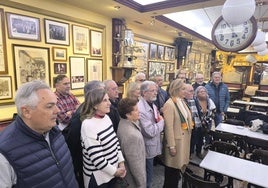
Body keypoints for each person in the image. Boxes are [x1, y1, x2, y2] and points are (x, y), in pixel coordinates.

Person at [0, 80, 78, 187]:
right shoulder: (4, 152)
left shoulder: (55, 131)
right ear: (27, 112)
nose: (58, 110)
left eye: (56, 104)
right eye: (49, 106)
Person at [80, 88, 126, 188]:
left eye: (108, 99)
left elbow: (115, 143)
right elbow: (97, 159)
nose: (109, 103)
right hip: (98, 179)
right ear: (95, 105)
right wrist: (115, 172)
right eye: (105, 100)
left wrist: (121, 163)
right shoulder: (88, 125)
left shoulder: (106, 117)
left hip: (112, 173)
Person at [65, 80, 104, 188]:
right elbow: (73, 143)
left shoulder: (96, 111)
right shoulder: (81, 115)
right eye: (102, 91)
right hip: (86, 164)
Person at [162, 79, 193, 188]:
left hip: (183, 142)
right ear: (176, 89)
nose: (185, 91)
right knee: (171, 174)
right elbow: (168, 128)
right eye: (183, 89)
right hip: (176, 143)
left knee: (177, 173)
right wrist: (171, 146)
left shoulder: (182, 101)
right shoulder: (169, 104)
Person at [137, 80, 164, 188]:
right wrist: (162, 122)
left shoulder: (152, 104)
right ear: (144, 93)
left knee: (150, 172)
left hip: (152, 145)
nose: (155, 93)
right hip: (146, 146)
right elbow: (150, 132)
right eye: (152, 91)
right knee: (147, 175)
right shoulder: (141, 109)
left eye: (156, 90)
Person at [117, 98, 146, 188]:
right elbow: (136, 165)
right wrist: (142, 184)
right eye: (136, 110)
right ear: (128, 115)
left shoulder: (123, 123)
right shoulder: (131, 135)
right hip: (133, 181)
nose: (139, 111)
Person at [184, 84, 203, 159]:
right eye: (190, 91)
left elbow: (198, 110)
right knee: (191, 140)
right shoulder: (182, 101)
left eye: (193, 91)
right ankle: (189, 154)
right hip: (190, 124)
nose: (193, 93)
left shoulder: (194, 99)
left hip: (198, 122)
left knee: (200, 139)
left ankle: (198, 152)